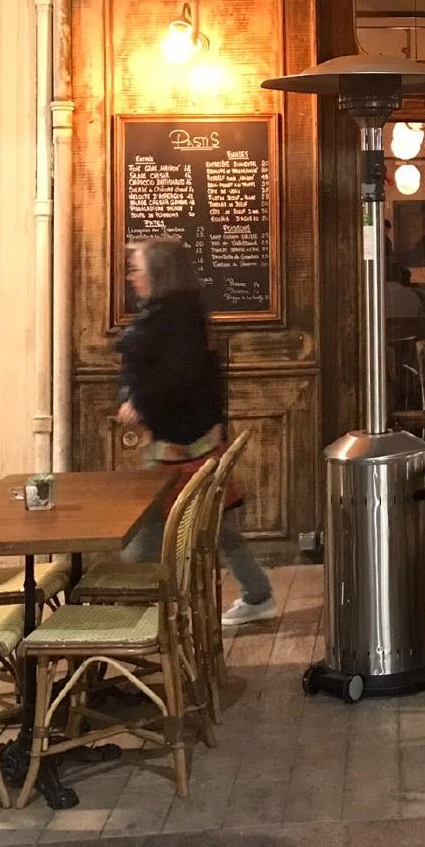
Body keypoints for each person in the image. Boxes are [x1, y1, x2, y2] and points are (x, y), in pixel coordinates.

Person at [117, 237, 277, 629]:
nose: (132, 277)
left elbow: (178, 378)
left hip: (180, 445)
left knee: (149, 532)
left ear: (158, 273)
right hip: (192, 440)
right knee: (212, 524)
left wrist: (139, 402)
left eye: (137, 268)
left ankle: (130, 618)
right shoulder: (183, 315)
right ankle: (256, 593)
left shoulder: (171, 320)